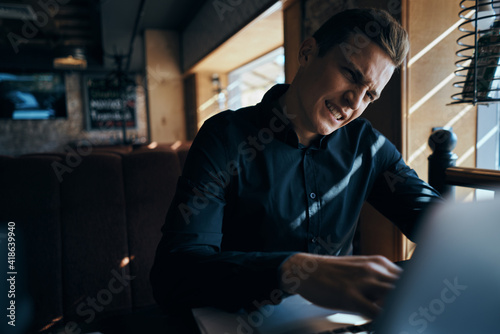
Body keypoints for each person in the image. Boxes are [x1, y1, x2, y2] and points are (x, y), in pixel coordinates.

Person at [150, 8, 442, 318]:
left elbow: (438, 223)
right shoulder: (225, 138)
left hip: (336, 322)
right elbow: (174, 275)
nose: (354, 103)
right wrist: (293, 271)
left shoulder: (368, 146)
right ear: (307, 53)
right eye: (351, 75)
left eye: (369, 94)